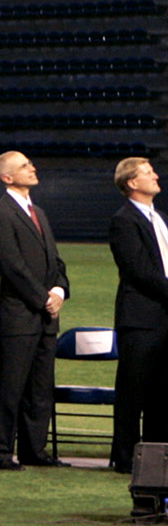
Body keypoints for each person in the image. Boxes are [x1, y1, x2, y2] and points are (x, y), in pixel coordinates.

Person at [0, 151, 69, 469]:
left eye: (31, 163)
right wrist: (43, 298)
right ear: (7, 177)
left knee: (40, 387)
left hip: (46, 315)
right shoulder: (1, 214)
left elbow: (55, 260)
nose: (32, 168)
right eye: (24, 166)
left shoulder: (38, 212)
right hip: (20, 313)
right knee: (10, 386)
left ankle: (35, 450)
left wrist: (59, 290)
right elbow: (11, 266)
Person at [108, 156, 168, 474]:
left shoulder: (160, 219)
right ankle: (126, 458)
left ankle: (157, 459)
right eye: (148, 172)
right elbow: (139, 270)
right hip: (141, 318)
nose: (155, 176)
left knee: (162, 393)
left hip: (163, 316)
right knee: (133, 392)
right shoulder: (124, 220)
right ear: (132, 182)